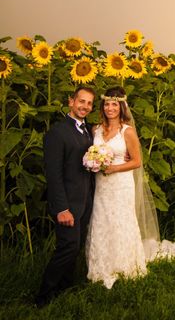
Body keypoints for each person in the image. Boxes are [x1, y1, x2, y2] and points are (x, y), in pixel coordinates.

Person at [85, 86, 175, 289]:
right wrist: (93, 162)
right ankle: (101, 266)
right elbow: (92, 153)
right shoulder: (95, 130)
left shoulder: (128, 131)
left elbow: (136, 162)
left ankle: (125, 264)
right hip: (102, 185)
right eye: (106, 104)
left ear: (122, 107)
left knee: (121, 221)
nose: (110, 108)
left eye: (114, 104)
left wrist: (114, 167)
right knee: (101, 219)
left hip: (121, 183)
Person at [36, 86, 96, 307]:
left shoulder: (87, 130)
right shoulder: (57, 133)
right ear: (71, 101)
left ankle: (65, 288)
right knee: (67, 247)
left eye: (89, 103)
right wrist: (61, 208)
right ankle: (44, 296)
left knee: (76, 245)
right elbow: (53, 174)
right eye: (81, 101)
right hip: (67, 203)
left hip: (84, 200)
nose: (85, 106)